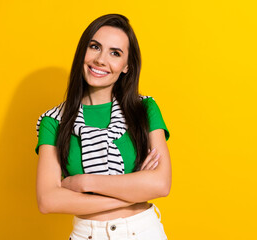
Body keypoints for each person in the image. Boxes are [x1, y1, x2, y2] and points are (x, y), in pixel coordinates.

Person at [35, 14, 171, 240]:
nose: (100, 59)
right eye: (94, 47)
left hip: (143, 231)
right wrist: (134, 191)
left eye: (115, 53)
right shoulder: (53, 121)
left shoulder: (144, 108)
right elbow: (47, 200)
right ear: (82, 52)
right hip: (87, 234)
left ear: (127, 66)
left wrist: (83, 182)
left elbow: (161, 184)